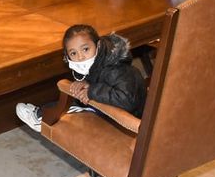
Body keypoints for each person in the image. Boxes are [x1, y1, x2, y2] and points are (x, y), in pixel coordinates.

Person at [16, 24, 147, 132]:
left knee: (70, 107)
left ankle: (42, 118)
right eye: (73, 53)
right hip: (110, 109)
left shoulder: (116, 68)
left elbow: (126, 100)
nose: (80, 57)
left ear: (98, 45)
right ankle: (41, 113)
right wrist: (86, 83)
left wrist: (91, 91)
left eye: (85, 49)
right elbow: (101, 81)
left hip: (131, 120)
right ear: (67, 57)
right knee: (72, 100)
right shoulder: (98, 62)